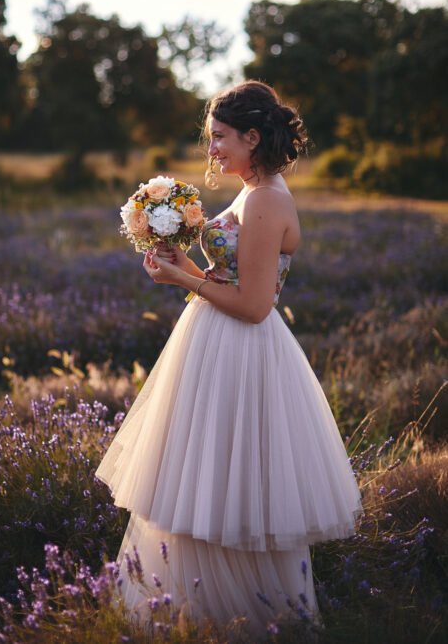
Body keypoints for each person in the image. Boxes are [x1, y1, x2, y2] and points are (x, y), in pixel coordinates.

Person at [95, 80, 362, 637]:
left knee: (231, 481)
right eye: (210, 137)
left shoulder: (267, 200)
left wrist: (178, 278)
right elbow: (229, 278)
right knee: (201, 477)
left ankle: (242, 612)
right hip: (214, 345)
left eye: (219, 137)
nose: (211, 148)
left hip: (244, 353)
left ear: (252, 137)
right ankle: (194, 606)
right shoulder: (252, 190)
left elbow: (255, 305)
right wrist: (180, 267)